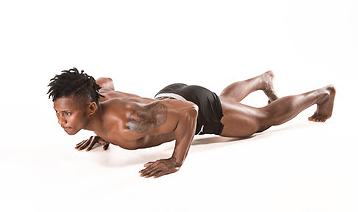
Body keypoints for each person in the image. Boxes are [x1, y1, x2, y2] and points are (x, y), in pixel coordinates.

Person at [47, 68, 335, 178]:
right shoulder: (91, 97)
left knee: (262, 119)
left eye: (67, 114)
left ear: (91, 106)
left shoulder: (130, 122)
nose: (61, 121)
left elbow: (188, 112)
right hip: (167, 98)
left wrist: (175, 160)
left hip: (195, 107)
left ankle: (322, 94)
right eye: (59, 113)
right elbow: (105, 81)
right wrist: (98, 130)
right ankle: (262, 80)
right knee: (225, 102)